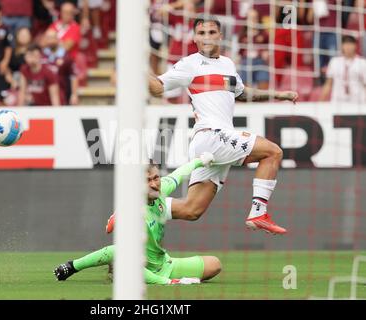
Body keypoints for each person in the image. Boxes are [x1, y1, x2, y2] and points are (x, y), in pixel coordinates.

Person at [149, 18, 299, 235]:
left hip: (213, 144)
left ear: (220, 36)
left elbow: (244, 93)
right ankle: (258, 212)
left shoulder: (227, 64)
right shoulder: (190, 63)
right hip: (211, 135)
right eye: (201, 33)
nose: (207, 37)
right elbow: (157, 88)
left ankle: (136, 211)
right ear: (194, 38)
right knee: (272, 152)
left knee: (192, 210)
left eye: (212, 32)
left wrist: (279, 95)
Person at [53, 154, 223, 285]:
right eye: (147, 180)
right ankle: (72, 266)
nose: (154, 184)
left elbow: (179, 173)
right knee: (119, 252)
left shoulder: (161, 188)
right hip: (141, 267)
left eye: (156, 178)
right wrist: (168, 282)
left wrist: (200, 160)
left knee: (214, 265)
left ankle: (122, 271)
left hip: (164, 265)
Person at [320, 35, 366, 104]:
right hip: (337, 102)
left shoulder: (362, 62)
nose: (348, 47)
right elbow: (328, 84)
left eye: (350, 44)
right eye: (345, 44)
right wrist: (320, 102)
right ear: (342, 46)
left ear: (355, 46)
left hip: (358, 102)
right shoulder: (334, 61)